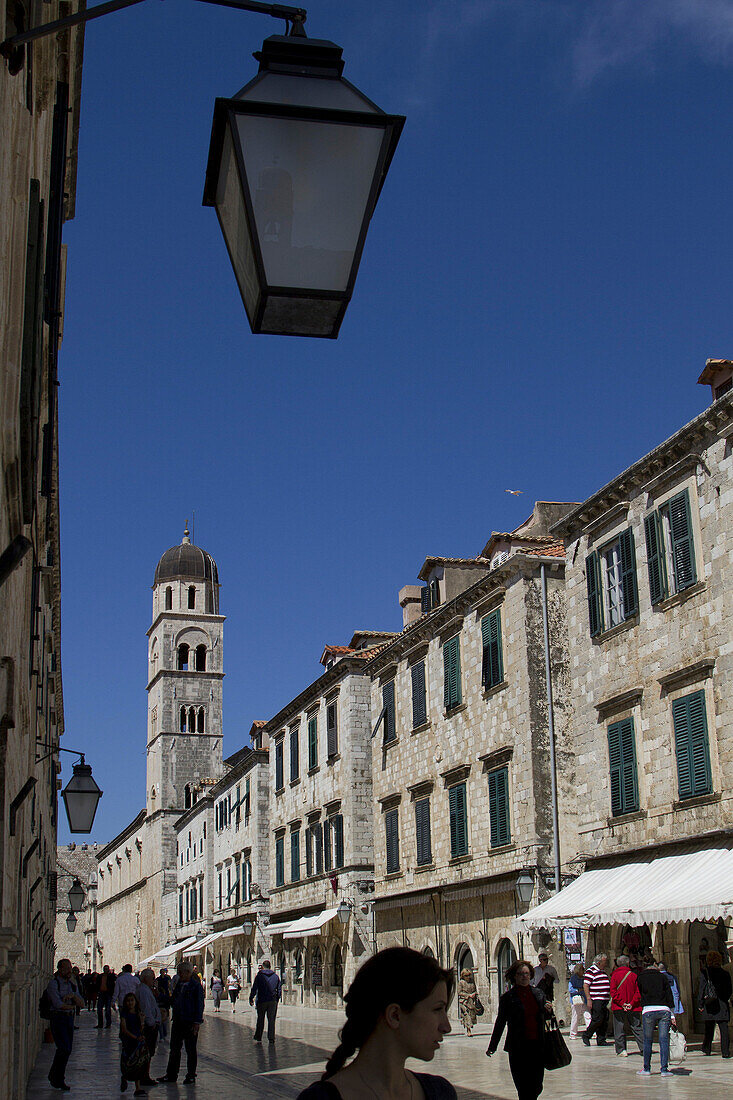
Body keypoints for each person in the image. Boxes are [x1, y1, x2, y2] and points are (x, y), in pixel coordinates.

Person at [296, 946, 456, 1100]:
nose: (446, 1027)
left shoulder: (441, 1092)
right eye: (437, 1009)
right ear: (394, 1016)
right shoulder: (320, 1098)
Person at [487, 960, 551, 1100]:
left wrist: (548, 1010)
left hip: (537, 1046)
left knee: (537, 1085)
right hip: (518, 1047)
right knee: (523, 1086)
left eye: (527, 973)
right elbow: (500, 1023)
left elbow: (545, 1018)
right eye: (520, 974)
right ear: (514, 976)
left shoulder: (539, 994)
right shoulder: (507, 998)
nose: (524, 976)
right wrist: (493, 1046)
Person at [158, 962, 205, 1085]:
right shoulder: (179, 984)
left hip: (190, 1022)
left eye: (180, 972)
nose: (178, 975)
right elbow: (173, 1000)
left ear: (188, 973)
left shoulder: (196, 986)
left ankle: (191, 1075)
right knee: (174, 1049)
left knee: (190, 1049)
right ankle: (171, 1074)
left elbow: (200, 1005)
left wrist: (197, 1022)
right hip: (178, 1020)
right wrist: (160, 997)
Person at [46, 958, 84, 1091]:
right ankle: (58, 1078)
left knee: (67, 1049)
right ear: (60, 969)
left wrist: (73, 997)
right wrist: (70, 1006)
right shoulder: (53, 984)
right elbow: (57, 1004)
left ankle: (54, 1076)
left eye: (70, 968)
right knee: (64, 1048)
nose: (69, 971)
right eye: (67, 968)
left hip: (69, 1019)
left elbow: (81, 1003)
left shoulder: (72, 985)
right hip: (58, 1018)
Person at [636, 958, 675, 1077]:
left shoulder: (641, 978)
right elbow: (669, 995)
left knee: (648, 1040)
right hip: (664, 1010)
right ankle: (664, 1069)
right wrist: (673, 1014)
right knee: (663, 1040)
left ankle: (646, 1069)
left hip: (648, 1010)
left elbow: (639, 994)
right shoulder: (663, 977)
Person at [699, 949, 732, 1058]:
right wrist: (724, 998)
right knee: (724, 1028)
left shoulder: (705, 973)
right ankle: (725, 1051)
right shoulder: (725, 974)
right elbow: (729, 990)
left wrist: (700, 1003)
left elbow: (702, 989)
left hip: (709, 1003)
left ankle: (707, 1049)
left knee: (709, 1027)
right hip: (722, 1003)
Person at [609, 954, 643, 1057]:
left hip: (619, 1006)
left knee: (619, 1027)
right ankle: (644, 1048)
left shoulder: (614, 976)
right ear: (628, 963)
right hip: (633, 1006)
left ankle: (621, 1050)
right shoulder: (633, 975)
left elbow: (613, 992)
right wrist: (631, 1003)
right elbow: (638, 992)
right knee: (637, 1027)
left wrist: (622, 1003)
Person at [119, 992, 149, 1096]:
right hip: (129, 1041)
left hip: (137, 1042)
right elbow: (124, 1029)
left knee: (138, 1065)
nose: (130, 1003)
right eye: (128, 1001)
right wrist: (135, 1037)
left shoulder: (138, 1013)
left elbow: (141, 1028)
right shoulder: (124, 1014)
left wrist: (142, 1021)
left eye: (132, 1000)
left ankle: (138, 1087)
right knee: (128, 1062)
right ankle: (125, 1077)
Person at [137, 968, 162, 1085]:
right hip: (149, 1026)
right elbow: (146, 1008)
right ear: (146, 978)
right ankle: (144, 1076)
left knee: (149, 1052)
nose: (154, 980)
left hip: (150, 1024)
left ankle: (145, 1075)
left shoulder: (145, 989)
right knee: (147, 1052)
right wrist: (151, 1023)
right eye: (152, 978)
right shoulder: (144, 990)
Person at [250, 958, 282, 1043]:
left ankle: (258, 1036)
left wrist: (251, 997)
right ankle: (271, 1038)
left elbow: (254, 988)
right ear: (270, 966)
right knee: (271, 1020)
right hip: (272, 1000)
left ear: (263, 967)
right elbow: (279, 989)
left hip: (262, 1000)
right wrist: (277, 999)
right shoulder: (275, 976)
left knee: (260, 1019)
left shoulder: (259, 976)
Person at [582, 954, 610, 1047]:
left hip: (604, 999)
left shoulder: (602, 971)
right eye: (604, 961)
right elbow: (586, 985)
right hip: (596, 999)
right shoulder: (591, 971)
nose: (606, 963)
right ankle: (586, 1035)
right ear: (599, 962)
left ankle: (601, 1039)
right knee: (597, 1019)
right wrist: (589, 999)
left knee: (604, 1019)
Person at [567, 964, 590, 1039]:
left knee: (588, 1016)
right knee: (575, 1016)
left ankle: (592, 1032)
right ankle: (573, 1033)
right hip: (576, 1000)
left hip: (584, 999)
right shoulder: (573, 979)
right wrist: (578, 990)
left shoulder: (584, 978)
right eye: (582, 969)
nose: (583, 971)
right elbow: (570, 989)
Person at [458, 968, 477, 1036]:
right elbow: (459, 992)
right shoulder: (461, 983)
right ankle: (469, 1030)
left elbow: (475, 989)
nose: (468, 977)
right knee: (467, 1015)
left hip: (471, 1002)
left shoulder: (472, 982)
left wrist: (475, 994)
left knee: (471, 1016)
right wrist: (468, 995)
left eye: (469, 975)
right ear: (463, 976)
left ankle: (468, 1027)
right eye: (466, 976)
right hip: (464, 1002)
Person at [156, 969, 172, 1040]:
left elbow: (169, 986)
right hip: (160, 997)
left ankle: (164, 1034)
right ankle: (162, 1035)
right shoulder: (158, 979)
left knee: (165, 1018)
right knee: (160, 1018)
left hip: (165, 998)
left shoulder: (167, 978)